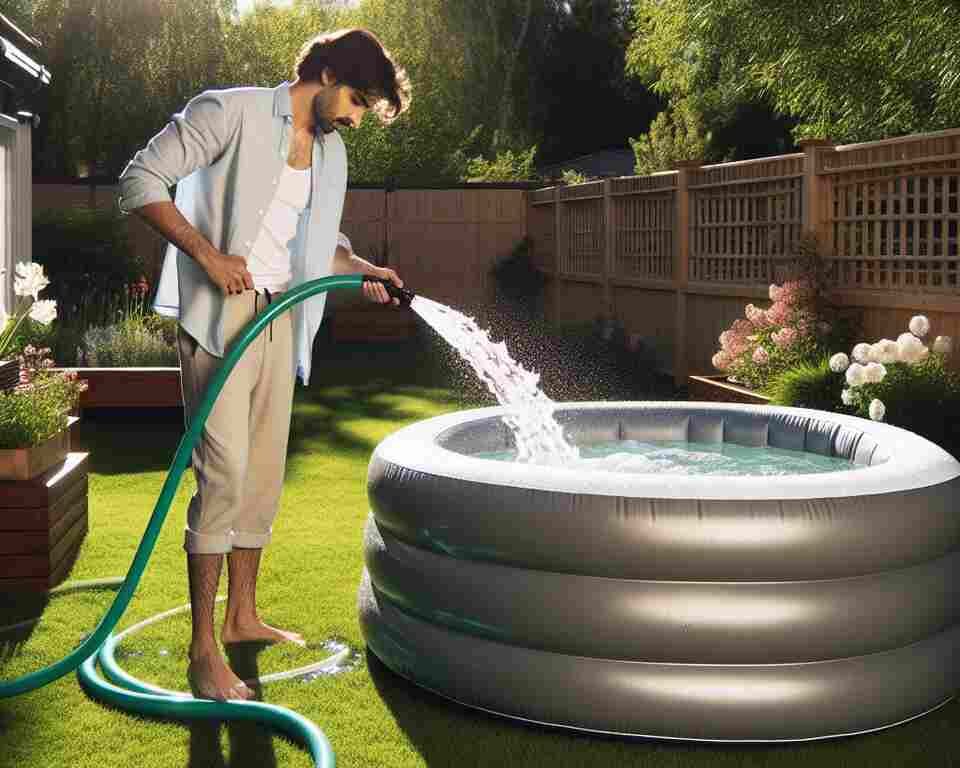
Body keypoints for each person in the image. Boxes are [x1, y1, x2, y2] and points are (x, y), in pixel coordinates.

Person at [118, 28, 411, 701]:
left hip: (284, 321)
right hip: (218, 322)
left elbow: (316, 247)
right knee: (221, 479)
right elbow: (139, 179)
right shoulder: (232, 112)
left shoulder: (331, 155)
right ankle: (201, 655)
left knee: (262, 482)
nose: (356, 117)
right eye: (358, 100)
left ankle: (242, 617)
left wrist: (363, 270)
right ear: (327, 72)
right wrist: (208, 255)